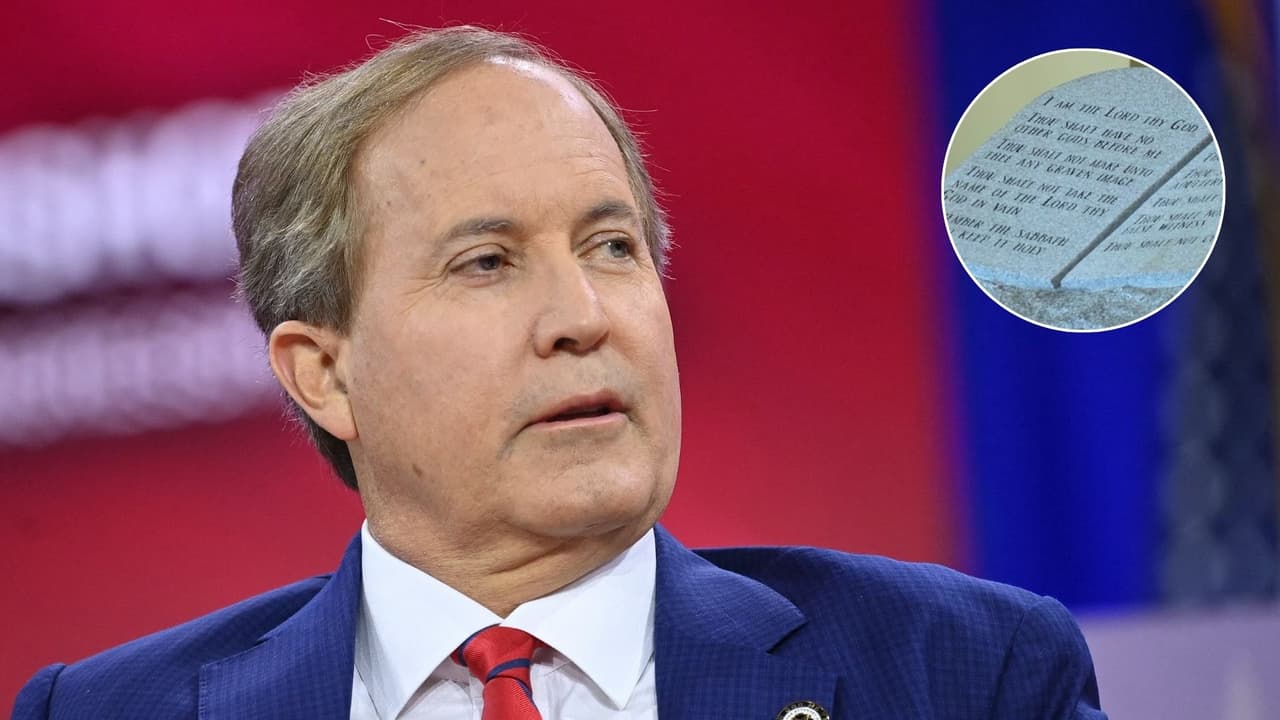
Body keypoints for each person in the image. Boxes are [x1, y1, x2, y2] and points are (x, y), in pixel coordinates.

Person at [12, 26, 1105, 720]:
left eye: (612, 246)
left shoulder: (960, 673)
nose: (584, 318)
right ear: (324, 374)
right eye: (487, 262)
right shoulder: (108, 712)